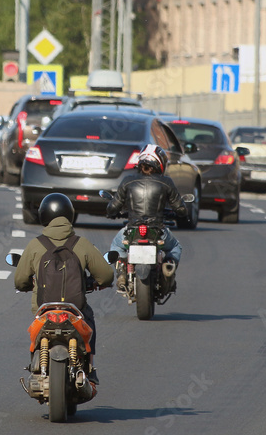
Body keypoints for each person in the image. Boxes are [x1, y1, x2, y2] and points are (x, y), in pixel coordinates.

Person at [14, 193, 113, 385]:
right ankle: (90, 369)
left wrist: (29, 285)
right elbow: (107, 276)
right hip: (76, 311)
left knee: (36, 333)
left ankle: (35, 364)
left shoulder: (35, 245)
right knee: (89, 324)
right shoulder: (81, 244)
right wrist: (94, 283)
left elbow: (20, 281)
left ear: (44, 215)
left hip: (44, 311)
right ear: (69, 215)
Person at [105, 144, 185, 292]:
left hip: (132, 229)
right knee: (175, 247)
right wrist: (179, 213)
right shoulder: (166, 182)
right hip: (158, 230)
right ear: (160, 163)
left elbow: (112, 207)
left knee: (117, 245)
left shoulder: (128, 180)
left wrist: (112, 212)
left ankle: (122, 272)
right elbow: (181, 209)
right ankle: (168, 267)